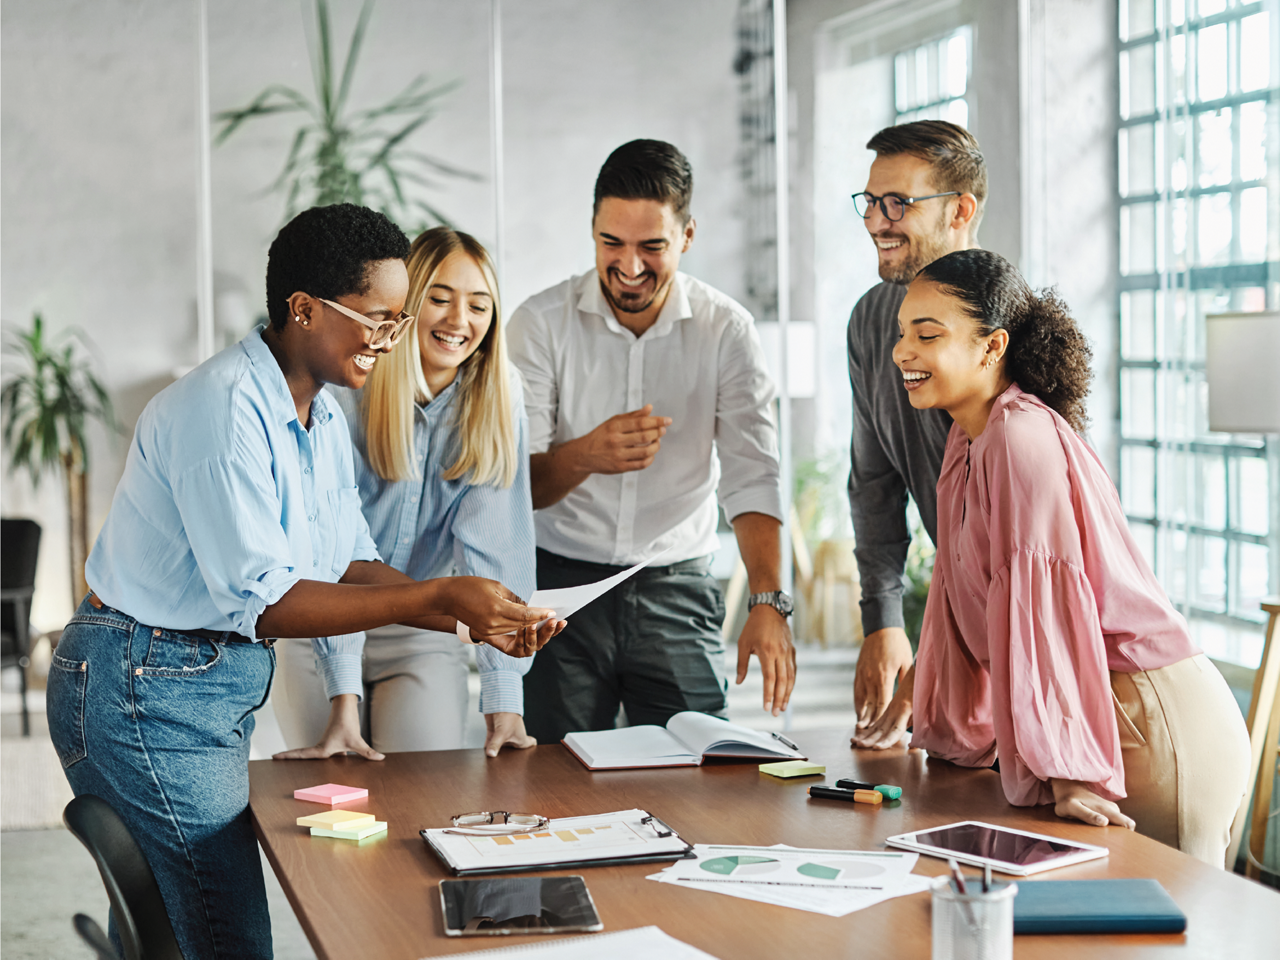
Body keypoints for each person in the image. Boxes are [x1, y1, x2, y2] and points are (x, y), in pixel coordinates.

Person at [45, 204, 562, 960]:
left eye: (397, 321)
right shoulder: (224, 413)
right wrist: (440, 597)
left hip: (191, 681)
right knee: (228, 937)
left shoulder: (316, 416)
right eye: (378, 321)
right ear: (303, 310)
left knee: (190, 923)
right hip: (142, 687)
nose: (392, 341)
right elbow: (270, 601)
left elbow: (347, 558)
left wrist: (468, 618)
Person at [887, 248, 1250, 866]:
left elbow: (1047, 611)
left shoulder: (1018, 437)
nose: (902, 353)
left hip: (1148, 719)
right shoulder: (968, 441)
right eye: (902, 334)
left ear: (991, 346)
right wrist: (937, 718)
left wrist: (1070, 770)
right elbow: (958, 597)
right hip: (1094, 714)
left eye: (927, 335)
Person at [507, 139, 794, 744]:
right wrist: (586, 454)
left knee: (699, 773)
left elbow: (753, 474)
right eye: (612, 243)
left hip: (675, 587)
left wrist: (768, 600)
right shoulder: (539, 324)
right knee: (552, 781)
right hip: (559, 587)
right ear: (591, 229)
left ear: (688, 236)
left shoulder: (727, 330)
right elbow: (514, 488)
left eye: (652, 246)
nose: (630, 265)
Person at [273, 226, 539, 758]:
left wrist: (504, 699)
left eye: (479, 305)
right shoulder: (347, 388)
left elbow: (497, 555)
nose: (459, 321)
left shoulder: (498, 400)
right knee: (333, 798)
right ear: (403, 307)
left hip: (422, 631)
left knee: (423, 791)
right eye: (439, 299)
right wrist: (342, 698)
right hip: (318, 628)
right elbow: (333, 558)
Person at [844, 120, 986, 747]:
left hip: (1036, 639)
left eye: (898, 202)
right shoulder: (872, 319)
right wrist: (883, 618)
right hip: (965, 626)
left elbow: (1009, 551)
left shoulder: (1009, 329)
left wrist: (930, 661)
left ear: (960, 211)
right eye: (871, 202)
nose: (877, 220)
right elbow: (872, 483)